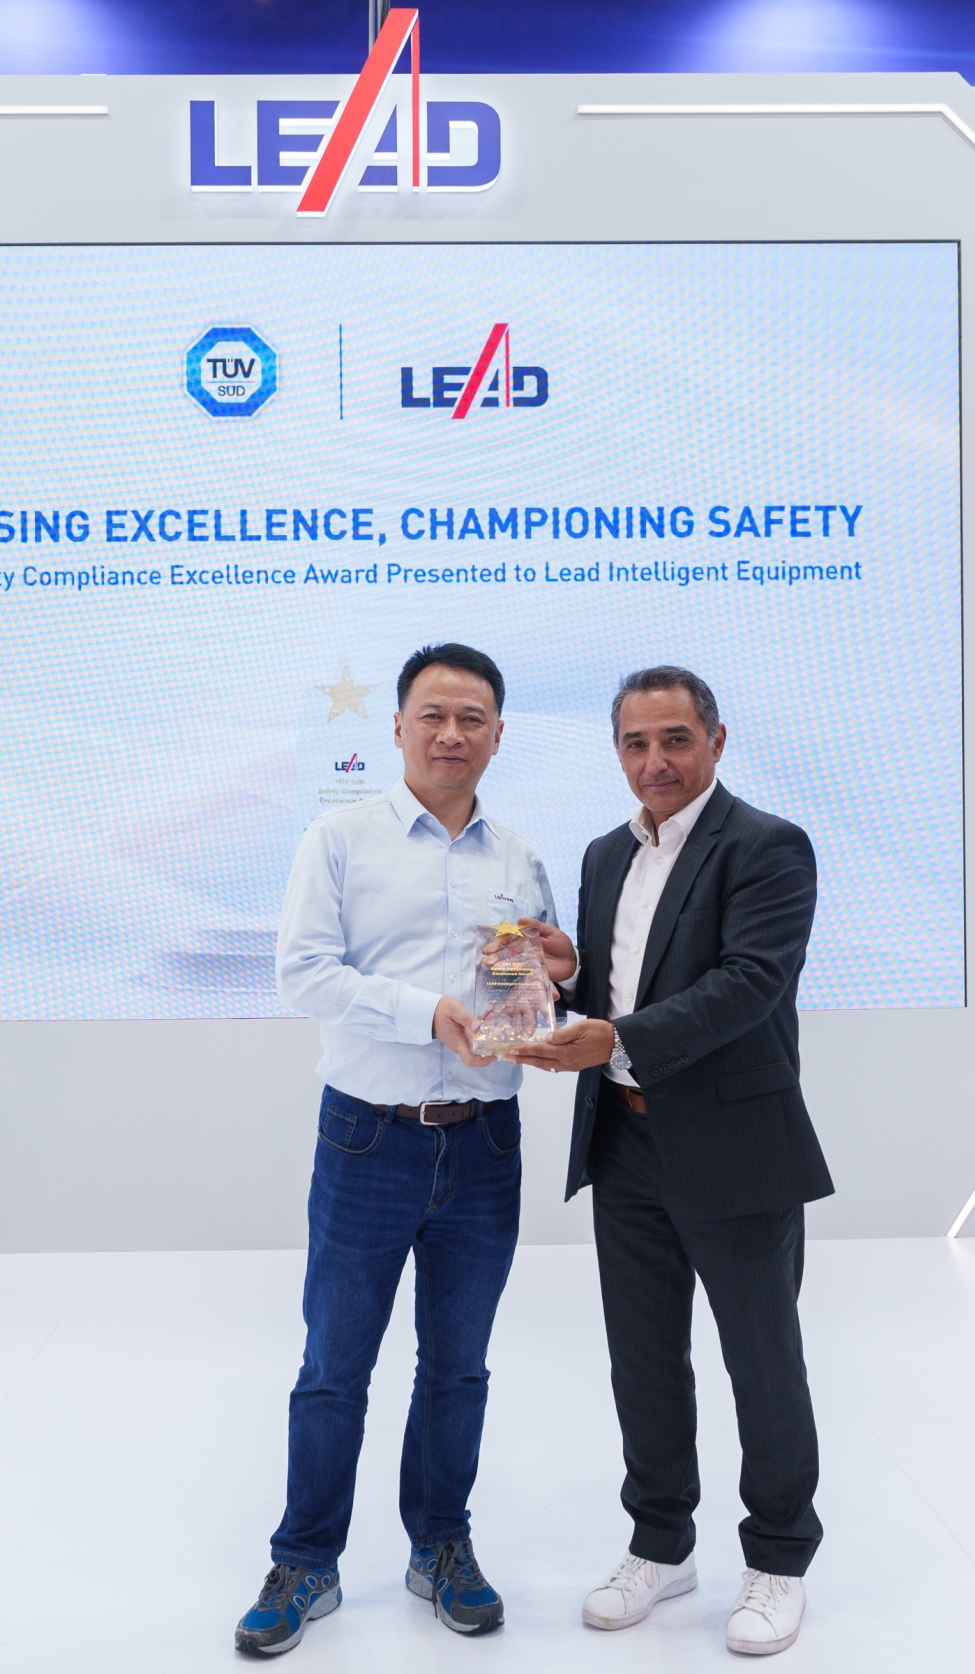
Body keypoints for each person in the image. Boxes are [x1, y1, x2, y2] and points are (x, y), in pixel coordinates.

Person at [240, 643, 574, 1656]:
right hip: (367, 1139)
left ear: (498, 736)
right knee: (333, 1366)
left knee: (458, 1367)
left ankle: (440, 1547)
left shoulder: (518, 857)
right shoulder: (339, 839)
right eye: (433, 715)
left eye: (472, 718)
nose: (451, 734)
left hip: (485, 1144)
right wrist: (421, 1013)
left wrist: (557, 975)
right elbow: (302, 973)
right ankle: (305, 1560)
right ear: (396, 728)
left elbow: (533, 983)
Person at [510, 666, 833, 1659]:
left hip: (736, 1146)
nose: (655, 761)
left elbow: (748, 984)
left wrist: (612, 1037)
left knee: (760, 1360)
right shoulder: (606, 854)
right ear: (617, 751)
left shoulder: (768, 846)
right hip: (626, 1143)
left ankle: (778, 1558)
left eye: (675, 740)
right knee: (643, 1358)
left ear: (716, 741)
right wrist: (564, 983)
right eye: (636, 743)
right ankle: (660, 1542)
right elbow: (620, 992)